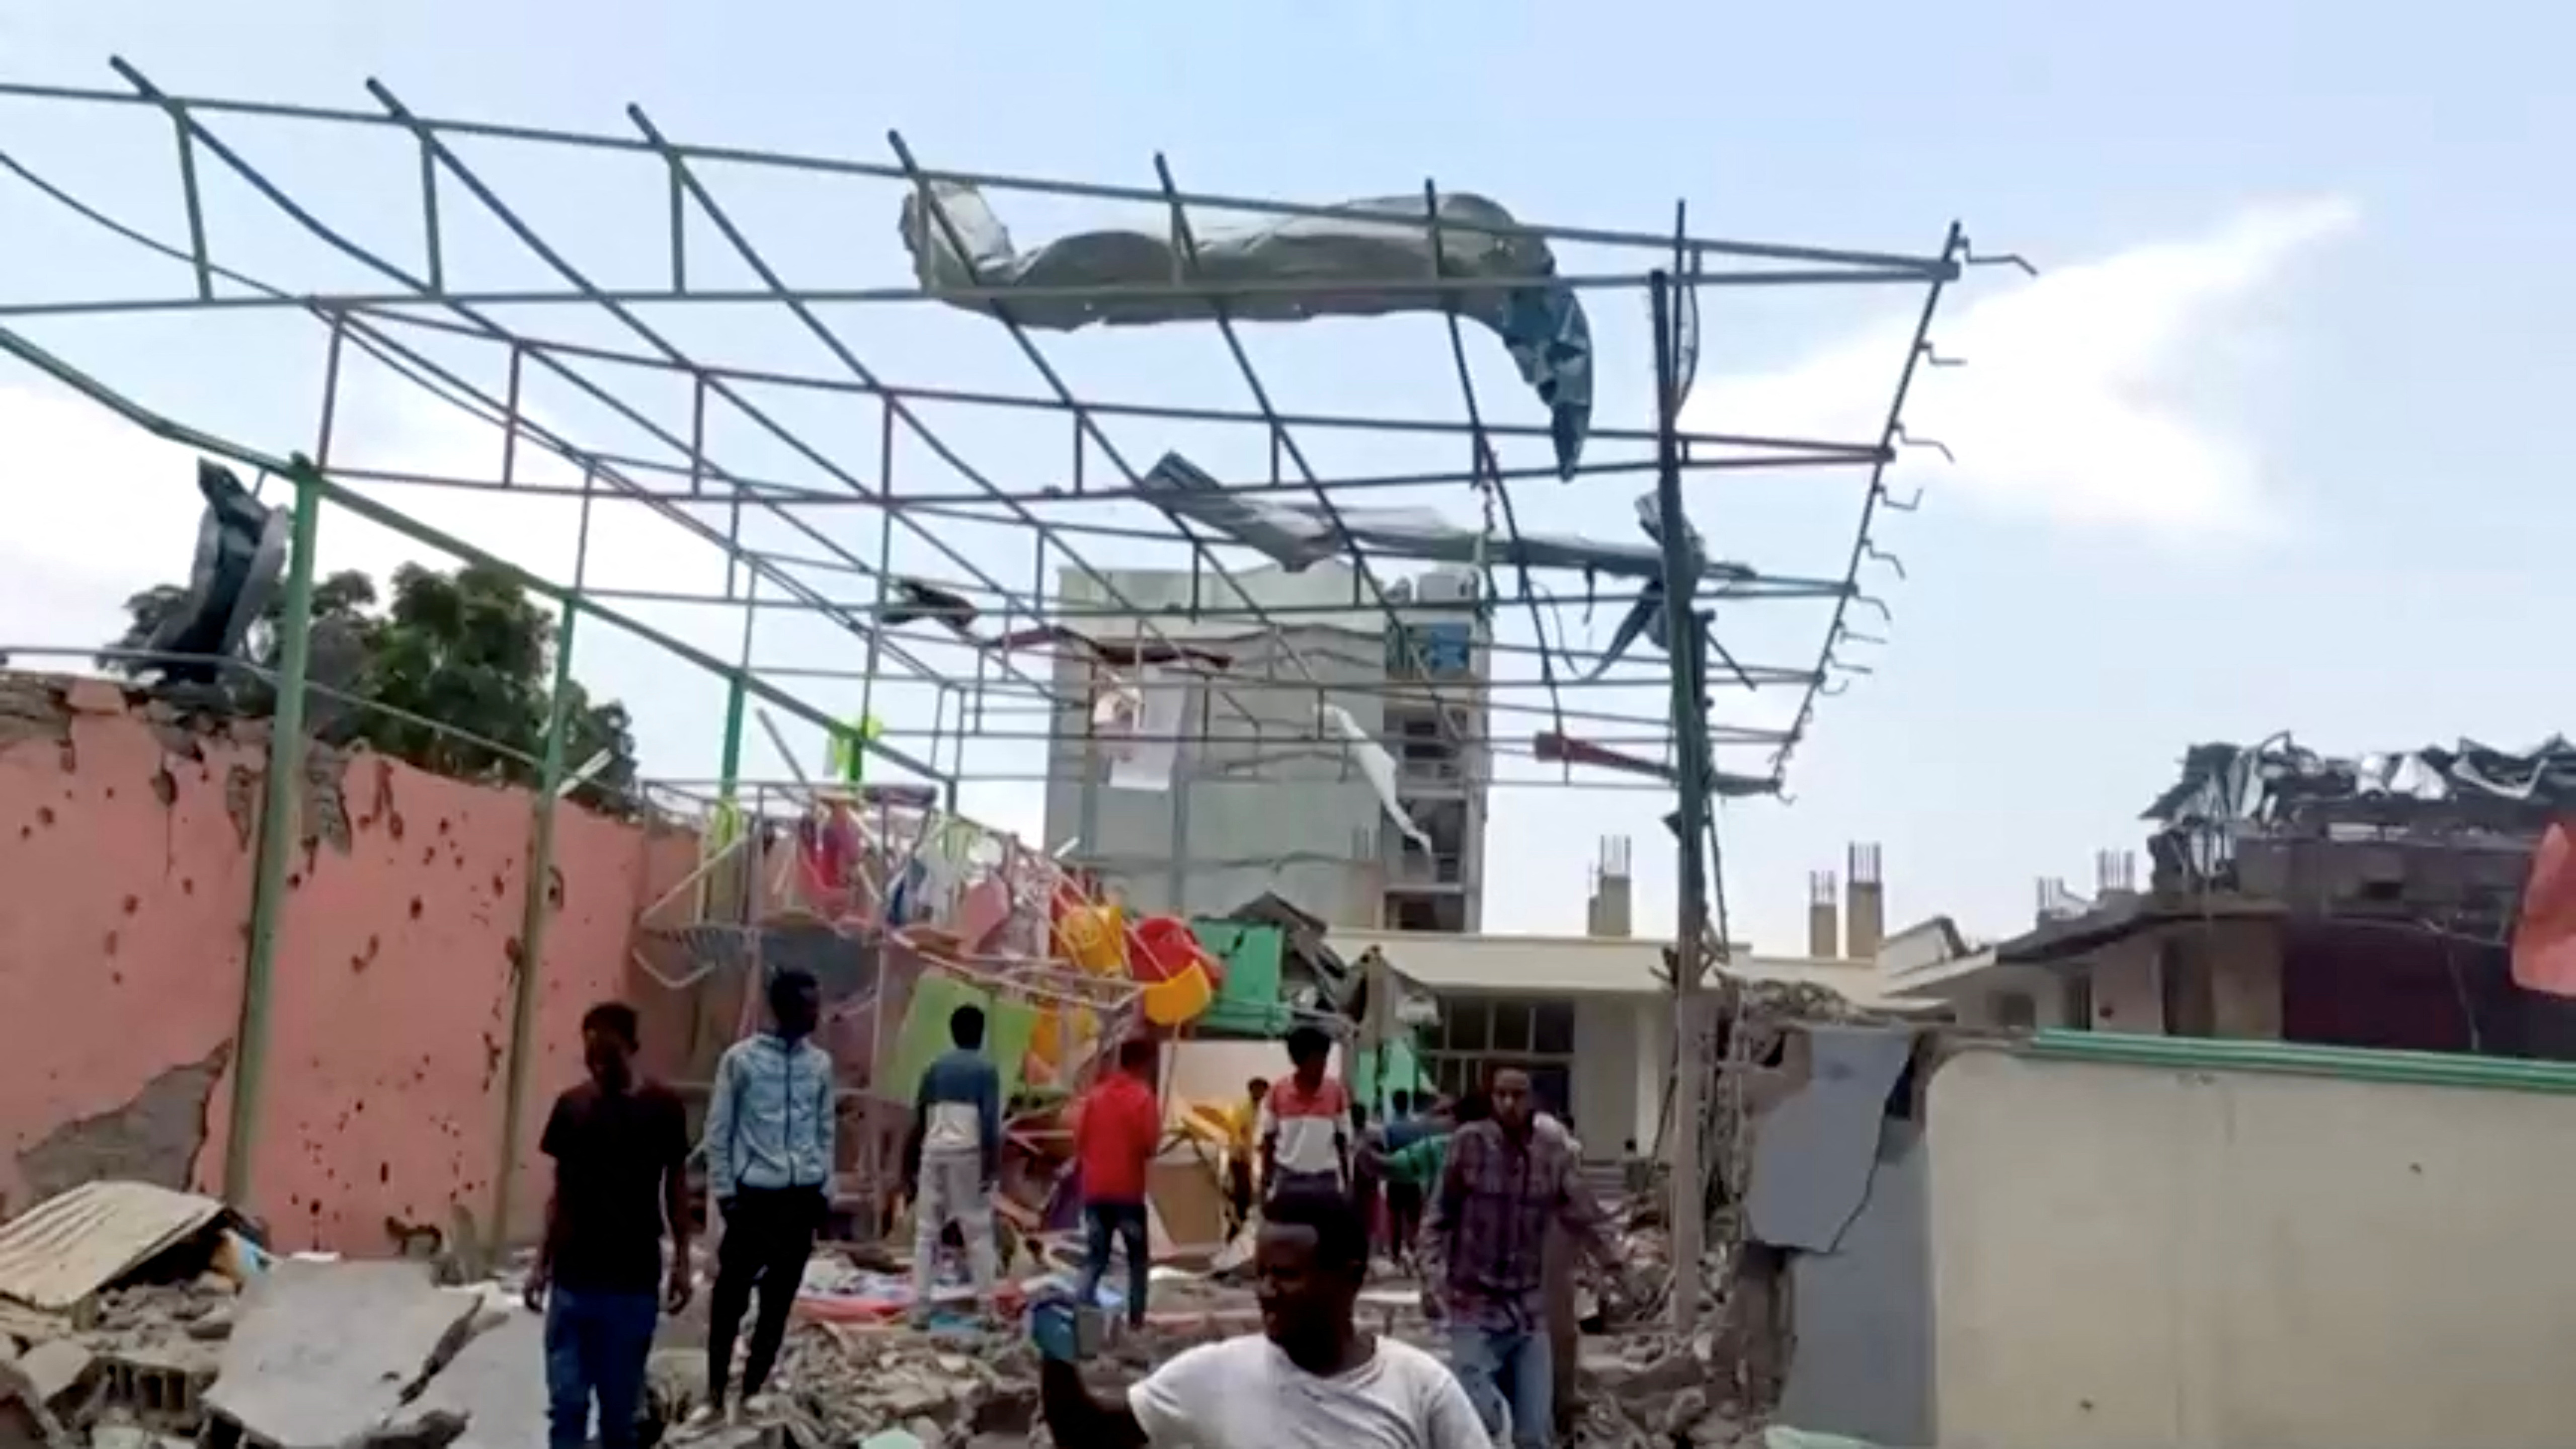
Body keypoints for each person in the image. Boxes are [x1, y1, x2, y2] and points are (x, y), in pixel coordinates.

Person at [1038, 1188, 1488, 1449]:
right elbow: (1087, 1435)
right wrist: (1055, 1354)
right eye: (1262, 1274)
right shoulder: (1217, 1375)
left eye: (1287, 1276)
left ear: (1349, 1279)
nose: (1267, 1292)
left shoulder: (1419, 1388)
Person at [1422, 1069, 1621, 1449]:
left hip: (1527, 1309)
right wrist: (1432, 1278)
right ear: (1491, 1098)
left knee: (1534, 1434)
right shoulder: (1468, 1145)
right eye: (1502, 1095)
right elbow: (1438, 1217)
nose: (1510, 1104)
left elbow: (1583, 1213)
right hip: (1472, 1305)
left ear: (1532, 1100)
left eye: (1518, 1096)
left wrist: (1615, 1264)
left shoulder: (1551, 1153)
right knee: (1482, 1417)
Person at [527, 1001, 691, 1449]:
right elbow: (558, 1195)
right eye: (591, 1052)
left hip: (631, 1283)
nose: (598, 1062)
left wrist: (682, 1261)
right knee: (567, 1405)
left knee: (619, 1415)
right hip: (572, 1280)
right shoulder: (572, 1108)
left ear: (632, 1047)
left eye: (608, 1051)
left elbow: (677, 1190)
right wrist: (541, 1265)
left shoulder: (664, 1109)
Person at [696, 968, 835, 1424]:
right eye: (808, 1005)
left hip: (801, 1198)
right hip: (754, 1197)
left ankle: (754, 1385)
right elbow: (719, 1130)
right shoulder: (742, 1061)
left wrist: (824, 1190)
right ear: (784, 1008)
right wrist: (724, 1193)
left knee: (778, 1299)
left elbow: (825, 1131)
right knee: (730, 1298)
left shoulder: (820, 1066)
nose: (816, 1013)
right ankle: (715, 1390)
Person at [903, 1002, 1003, 1325]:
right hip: (968, 1153)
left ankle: (919, 1306)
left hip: (933, 1150)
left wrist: (909, 1165)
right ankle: (987, 1307)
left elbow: (918, 1117)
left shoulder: (934, 1068)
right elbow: (989, 1123)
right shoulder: (985, 1071)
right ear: (980, 1034)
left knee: (926, 1233)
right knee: (976, 1230)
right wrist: (992, 1165)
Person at [1074, 1036, 1163, 1326]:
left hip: (1095, 1191)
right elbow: (1150, 1146)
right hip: (1128, 1193)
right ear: (1144, 1063)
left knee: (1095, 1258)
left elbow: (1079, 1140)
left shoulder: (1095, 1096)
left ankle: (1081, 1317)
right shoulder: (1143, 1098)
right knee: (1137, 1262)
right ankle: (1135, 1322)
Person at [1258, 1026, 1349, 1201]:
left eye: (1325, 1059)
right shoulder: (1278, 1092)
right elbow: (1268, 1141)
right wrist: (1265, 1183)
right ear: (1298, 1060)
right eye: (1317, 1060)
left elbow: (1342, 1140)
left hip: (1325, 1181)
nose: (1323, 1066)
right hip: (1288, 1180)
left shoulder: (1336, 1092)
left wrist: (1347, 1182)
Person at [1224, 1077, 1269, 1238]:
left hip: (1249, 1157)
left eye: (1263, 1090)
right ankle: (1236, 1227)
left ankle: (1239, 1223)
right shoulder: (1243, 1109)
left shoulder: (1263, 1110)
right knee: (1242, 1193)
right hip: (1239, 1157)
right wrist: (1241, 1147)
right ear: (1251, 1091)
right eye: (1257, 1090)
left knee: (1246, 1193)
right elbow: (1236, 1132)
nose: (1260, 1093)